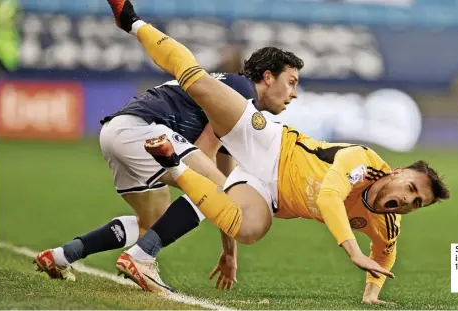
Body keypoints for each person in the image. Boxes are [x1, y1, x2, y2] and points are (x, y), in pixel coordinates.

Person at [105, 0, 450, 303]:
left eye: (418, 203)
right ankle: (132, 21)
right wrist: (353, 251)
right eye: (412, 188)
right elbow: (330, 198)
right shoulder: (364, 161)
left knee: (249, 229)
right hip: (271, 146)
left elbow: (385, 258)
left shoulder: (387, 225)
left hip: (269, 194)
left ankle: (174, 166)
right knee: (197, 82)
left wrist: (371, 295)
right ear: (397, 173)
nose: (409, 201)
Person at [34, 46, 304, 289]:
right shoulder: (242, 92)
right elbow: (210, 172)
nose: (294, 94)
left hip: (117, 131)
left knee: (151, 224)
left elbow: (225, 177)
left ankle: (62, 255)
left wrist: (230, 253)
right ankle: (142, 258)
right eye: (291, 83)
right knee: (211, 190)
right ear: (268, 77)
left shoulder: (226, 94)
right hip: (145, 130)